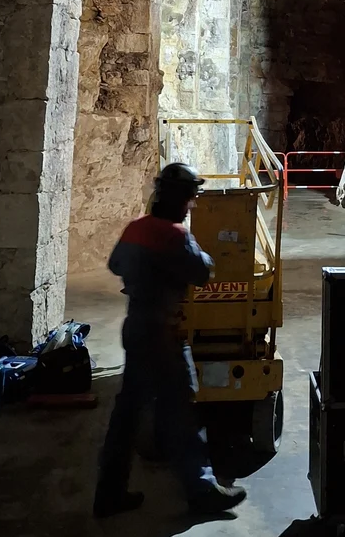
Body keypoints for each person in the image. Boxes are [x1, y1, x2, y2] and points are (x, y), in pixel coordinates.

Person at [94, 162, 247, 517]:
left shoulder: (136, 228)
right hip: (163, 333)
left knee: (127, 414)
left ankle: (109, 493)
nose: (192, 205)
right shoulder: (176, 236)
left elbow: (116, 264)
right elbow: (203, 271)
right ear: (180, 199)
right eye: (191, 198)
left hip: (136, 327)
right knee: (180, 410)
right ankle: (202, 491)